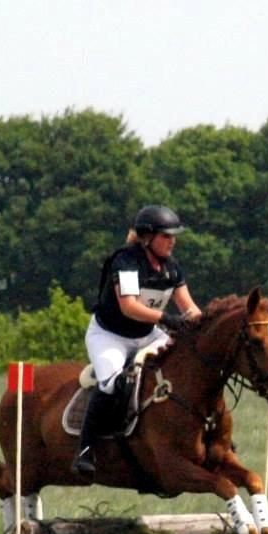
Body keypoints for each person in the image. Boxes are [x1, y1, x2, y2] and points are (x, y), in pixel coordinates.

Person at [72, 204, 202, 478]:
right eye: (166, 236)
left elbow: (188, 306)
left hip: (146, 334)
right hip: (110, 336)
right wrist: (167, 319)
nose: (172, 241)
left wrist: (206, 325)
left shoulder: (171, 267)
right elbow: (129, 307)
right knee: (111, 385)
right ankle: (85, 450)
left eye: (173, 236)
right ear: (147, 237)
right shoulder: (127, 263)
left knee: (185, 367)